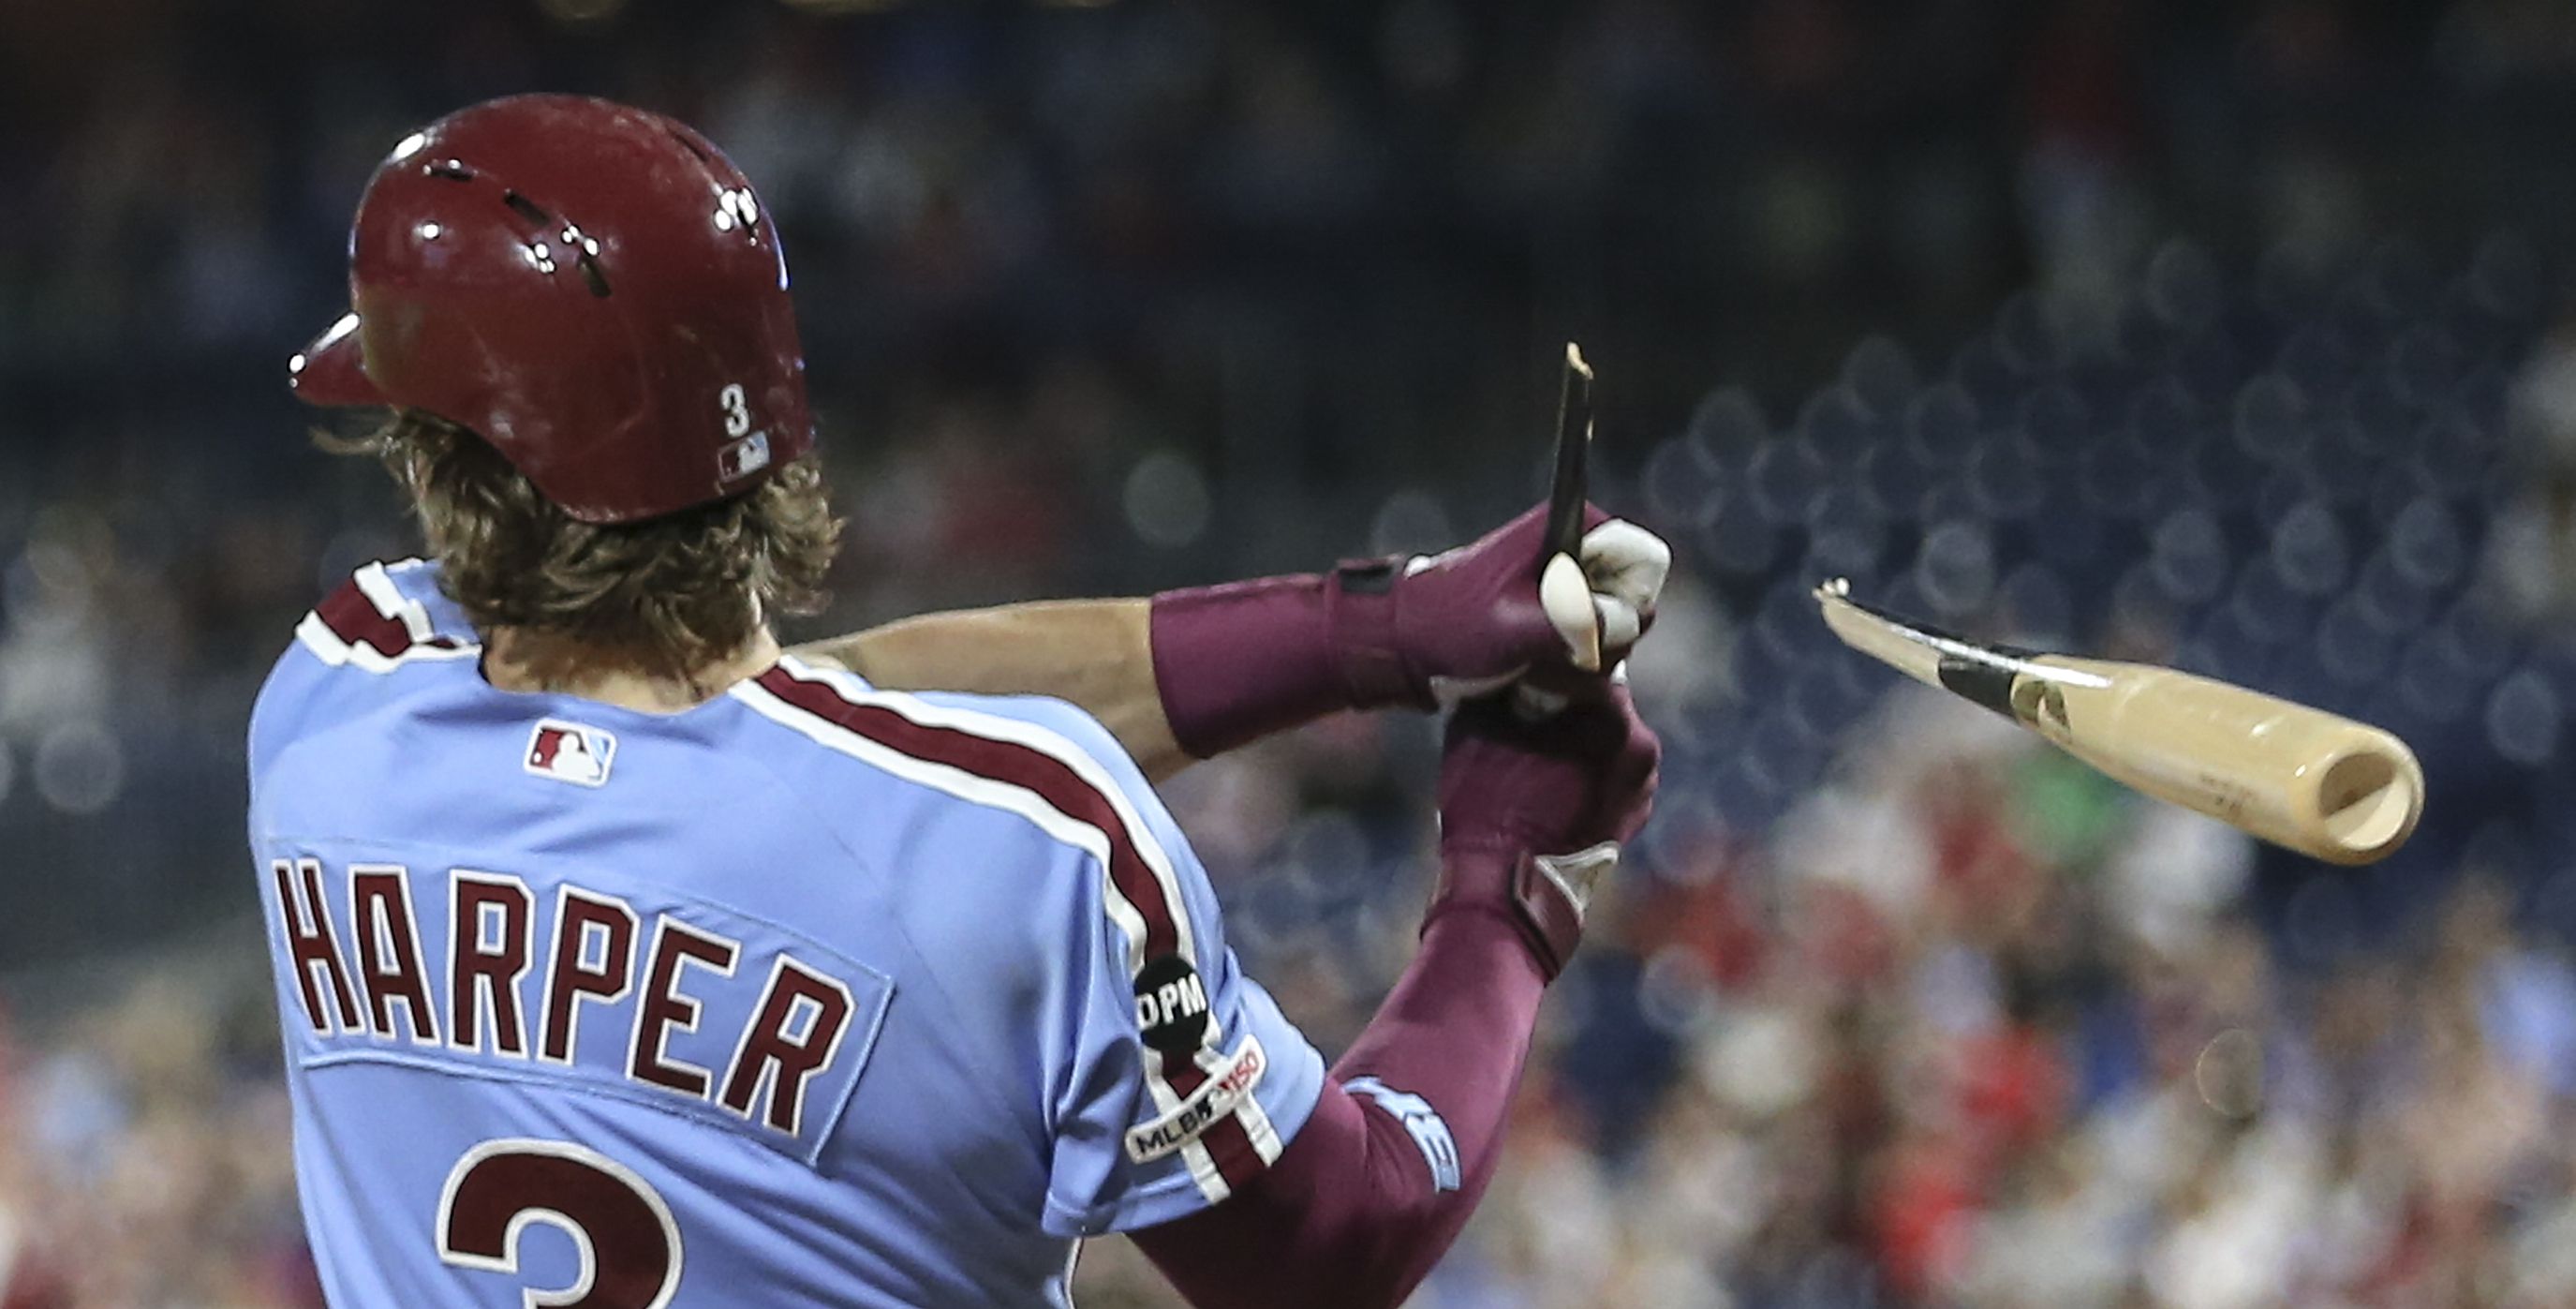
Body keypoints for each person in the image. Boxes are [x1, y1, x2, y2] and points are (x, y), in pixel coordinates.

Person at [258, 93, 1666, 1308]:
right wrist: (1508, 883)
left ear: (454, 459)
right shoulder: (1026, 847)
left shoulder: (335, 697)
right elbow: (1336, 1241)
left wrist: (1372, 630)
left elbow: (812, 723)